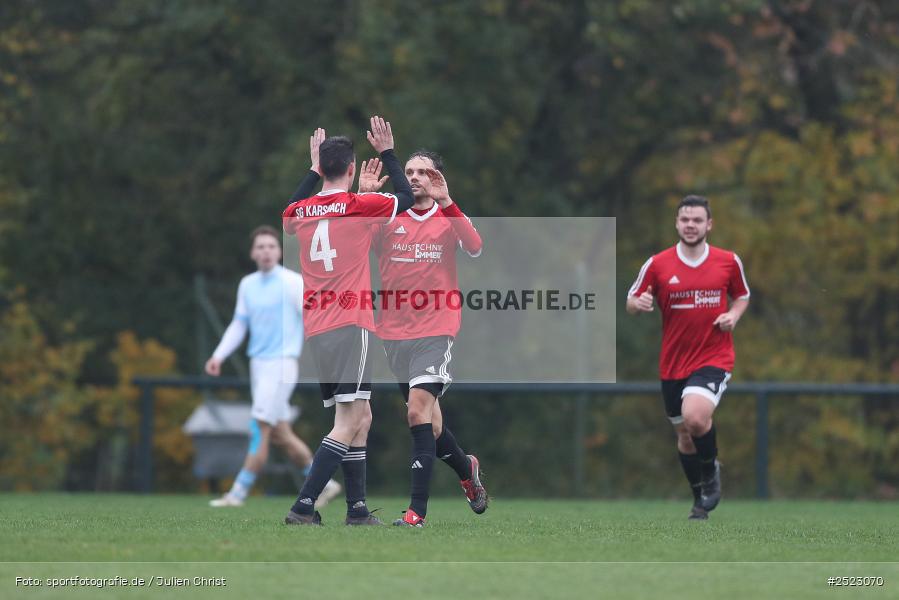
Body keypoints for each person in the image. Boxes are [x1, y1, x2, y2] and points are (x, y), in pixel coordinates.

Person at [280, 117, 415, 526]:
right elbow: (406, 197)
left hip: (319, 328)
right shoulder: (360, 204)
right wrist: (390, 153)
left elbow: (286, 212)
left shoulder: (299, 212)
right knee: (349, 420)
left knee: (363, 415)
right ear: (353, 169)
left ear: (322, 167)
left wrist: (312, 170)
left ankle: (356, 509)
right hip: (351, 321)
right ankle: (304, 505)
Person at [358, 150, 488, 528]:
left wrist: (448, 201)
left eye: (423, 172)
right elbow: (354, 249)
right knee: (429, 424)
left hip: (436, 329)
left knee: (415, 411)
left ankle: (416, 513)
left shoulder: (447, 217)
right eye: (410, 171)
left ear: (437, 178)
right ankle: (467, 469)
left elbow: (477, 248)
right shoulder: (390, 216)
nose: (414, 177)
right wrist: (366, 200)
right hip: (394, 333)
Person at [626, 195, 750, 520]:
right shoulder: (658, 264)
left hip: (714, 356)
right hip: (673, 363)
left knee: (695, 417)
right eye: (685, 219)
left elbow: (742, 295)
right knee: (684, 436)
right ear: (676, 223)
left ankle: (710, 474)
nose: (690, 225)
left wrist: (733, 316)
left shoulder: (727, 261)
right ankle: (699, 500)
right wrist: (636, 305)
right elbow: (632, 297)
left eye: (697, 220)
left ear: (709, 224)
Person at [205, 226, 341, 508]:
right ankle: (325, 484)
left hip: (282, 365)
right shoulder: (247, 285)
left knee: (260, 427)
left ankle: (238, 494)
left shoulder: (292, 282)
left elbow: (311, 317)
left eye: (271, 246)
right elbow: (239, 324)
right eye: (261, 247)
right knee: (280, 432)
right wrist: (218, 355)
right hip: (259, 366)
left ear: (279, 251)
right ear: (253, 252)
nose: (266, 251)